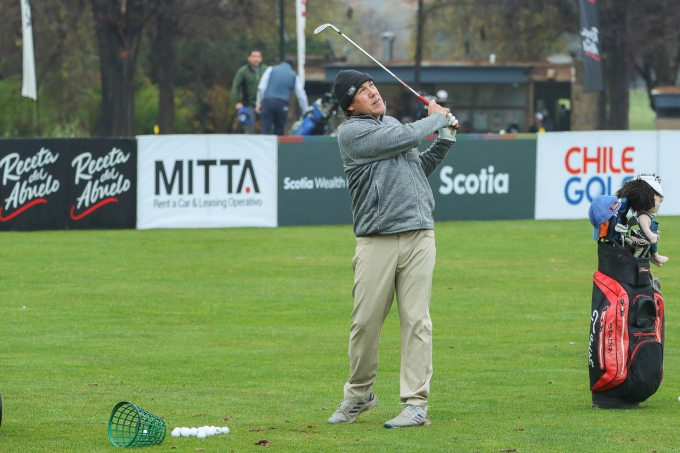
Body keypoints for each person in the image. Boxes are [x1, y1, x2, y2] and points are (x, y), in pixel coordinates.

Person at [327, 69, 458, 429]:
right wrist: (436, 117)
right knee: (365, 323)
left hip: (419, 234)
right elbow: (404, 137)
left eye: (372, 85)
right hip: (376, 238)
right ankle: (359, 394)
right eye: (362, 90)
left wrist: (444, 140)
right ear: (350, 106)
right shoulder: (352, 133)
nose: (372, 92)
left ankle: (415, 404)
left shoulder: (393, 125)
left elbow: (416, 169)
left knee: (417, 321)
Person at [615, 174, 668, 267]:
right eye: (656, 197)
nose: (660, 202)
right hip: (645, 241)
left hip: (649, 241)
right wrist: (651, 235)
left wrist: (654, 233)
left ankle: (654, 256)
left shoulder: (646, 215)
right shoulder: (643, 216)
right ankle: (654, 256)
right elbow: (645, 228)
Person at [256, 60, 308, 135]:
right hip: (282, 104)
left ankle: (264, 141)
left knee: (265, 129)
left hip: (268, 102)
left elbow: (261, 88)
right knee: (279, 131)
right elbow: (301, 96)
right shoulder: (294, 75)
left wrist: (259, 103)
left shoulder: (271, 69)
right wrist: (305, 112)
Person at [231, 50, 267, 134]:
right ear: (249, 58)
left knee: (266, 129)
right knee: (250, 129)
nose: (256, 59)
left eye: (258, 57)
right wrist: (237, 101)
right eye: (254, 56)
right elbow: (235, 86)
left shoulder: (266, 70)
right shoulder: (243, 71)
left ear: (261, 59)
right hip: (249, 105)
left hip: (264, 104)